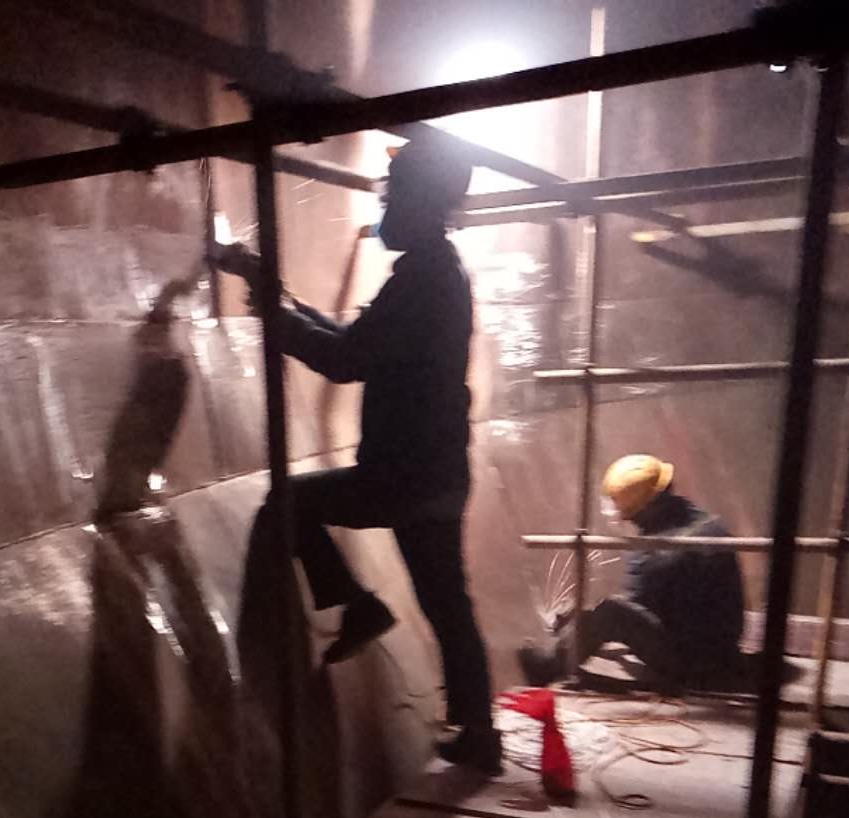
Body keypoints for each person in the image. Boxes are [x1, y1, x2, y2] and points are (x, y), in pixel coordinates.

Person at [222, 135, 500, 773]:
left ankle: (355, 602)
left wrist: (276, 316)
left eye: (392, 196)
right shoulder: (436, 272)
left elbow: (347, 358)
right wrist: (282, 302)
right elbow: (358, 339)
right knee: (447, 604)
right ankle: (480, 734)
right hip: (435, 470)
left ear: (421, 203)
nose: (384, 209)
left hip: (403, 473)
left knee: (288, 501)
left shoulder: (424, 280)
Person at [518, 454, 745, 691]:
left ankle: (548, 666)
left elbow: (631, 617)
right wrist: (584, 620)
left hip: (695, 665)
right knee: (608, 612)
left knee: (610, 613)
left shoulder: (657, 550)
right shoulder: (708, 523)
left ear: (642, 510)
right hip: (721, 649)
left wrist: (587, 624)